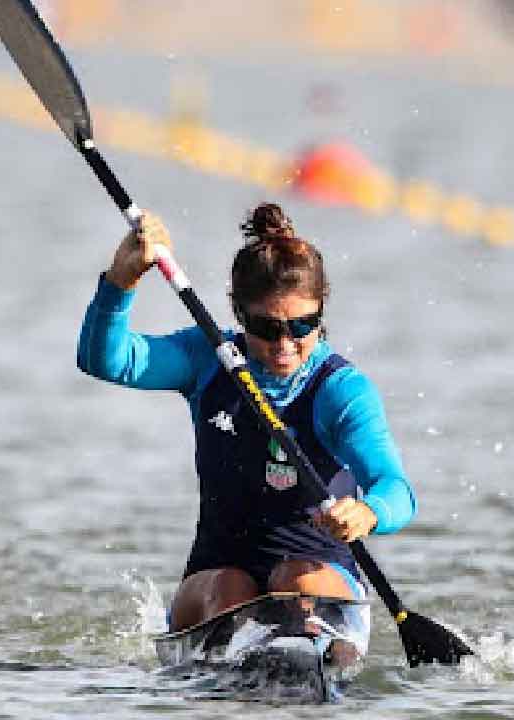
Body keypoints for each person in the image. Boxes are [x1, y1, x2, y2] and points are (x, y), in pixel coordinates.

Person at [78, 202, 416, 631]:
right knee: (232, 590)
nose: (285, 344)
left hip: (317, 573)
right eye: (268, 328)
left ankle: (301, 645)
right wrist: (121, 279)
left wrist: (369, 512)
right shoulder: (206, 359)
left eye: (301, 326)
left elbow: (398, 489)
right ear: (239, 315)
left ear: (320, 313)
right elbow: (103, 359)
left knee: (295, 581)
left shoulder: (341, 391)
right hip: (216, 577)